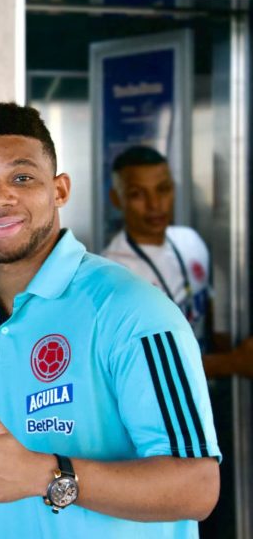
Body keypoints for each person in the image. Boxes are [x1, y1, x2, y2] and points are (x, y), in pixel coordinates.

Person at [0, 103, 220, 539]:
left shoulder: (130, 311)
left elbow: (197, 487)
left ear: (60, 189)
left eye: (22, 178)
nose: (0, 199)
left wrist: (47, 474)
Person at [103, 145, 253, 379]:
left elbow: (205, 309)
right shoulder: (112, 274)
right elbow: (144, 367)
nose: (154, 204)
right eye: (137, 194)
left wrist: (234, 348)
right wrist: (233, 362)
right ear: (116, 199)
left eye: (163, 189)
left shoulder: (190, 241)